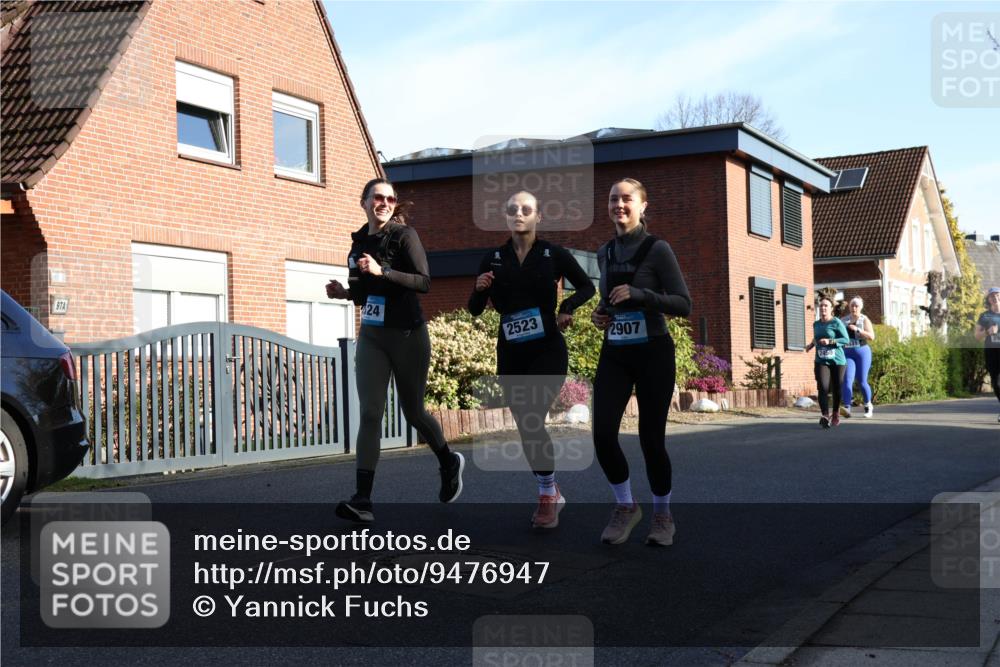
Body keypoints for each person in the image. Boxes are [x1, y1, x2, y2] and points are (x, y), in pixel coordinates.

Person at [326, 177, 464, 522]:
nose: (384, 202)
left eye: (390, 198)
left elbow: (424, 281)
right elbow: (364, 293)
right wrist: (345, 293)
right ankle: (363, 500)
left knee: (413, 412)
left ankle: (448, 461)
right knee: (371, 412)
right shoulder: (358, 244)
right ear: (364, 201)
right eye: (378, 197)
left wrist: (383, 270)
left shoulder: (405, 236)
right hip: (373, 335)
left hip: (407, 336)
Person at [468, 191, 595, 529]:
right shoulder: (493, 258)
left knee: (533, 418)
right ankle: (551, 487)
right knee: (526, 424)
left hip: (547, 349)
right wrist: (480, 289)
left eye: (526, 209)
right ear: (506, 217)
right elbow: (474, 309)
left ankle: (546, 494)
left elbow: (587, 288)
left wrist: (566, 308)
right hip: (511, 352)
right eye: (512, 210)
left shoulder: (553, 254)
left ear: (538, 216)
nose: (518, 214)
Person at [589, 178, 691, 546]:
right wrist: (600, 315)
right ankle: (626, 505)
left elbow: (683, 303)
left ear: (643, 206)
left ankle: (663, 515)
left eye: (627, 199)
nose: (619, 204)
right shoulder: (604, 252)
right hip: (615, 351)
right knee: (601, 434)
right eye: (614, 198)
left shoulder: (657, 249)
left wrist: (641, 294)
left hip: (653, 351)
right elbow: (609, 303)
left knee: (651, 439)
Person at [806, 295, 850, 428]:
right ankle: (825, 415)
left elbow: (846, 340)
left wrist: (831, 341)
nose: (823, 307)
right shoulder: (816, 324)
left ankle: (835, 412)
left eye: (826, 305)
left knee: (836, 388)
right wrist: (811, 345)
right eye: (821, 305)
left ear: (831, 309)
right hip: (821, 359)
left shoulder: (836, 322)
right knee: (822, 387)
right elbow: (816, 338)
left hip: (837, 361)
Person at [840, 297, 876, 418]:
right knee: (847, 380)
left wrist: (858, 330)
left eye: (856, 306)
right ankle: (847, 407)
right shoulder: (843, 320)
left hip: (862, 352)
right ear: (849, 307)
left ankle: (868, 405)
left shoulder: (864, 319)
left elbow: (871, 336)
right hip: (848, 352)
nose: (854, 308)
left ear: (860, 307)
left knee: (862, 381)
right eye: (852, 306)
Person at [974, 287, 1000, 423]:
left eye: (997, 295)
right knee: (996, 382)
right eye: (991, 296)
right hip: (991, 352)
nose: (995, 298)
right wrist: (988, 332)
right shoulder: (985, 316)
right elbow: (977, 336)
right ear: (988, 299)